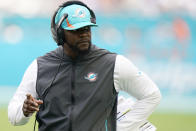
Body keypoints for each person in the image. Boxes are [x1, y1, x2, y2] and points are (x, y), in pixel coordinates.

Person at [8, 1, 161, 131]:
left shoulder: (114, 63)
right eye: (76, 30)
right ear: (60, 33)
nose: (84, 34)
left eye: (87, 28)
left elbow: (151, 95)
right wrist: (24, 110)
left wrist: (121, 127)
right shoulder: (39, 67)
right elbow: (14, 118)